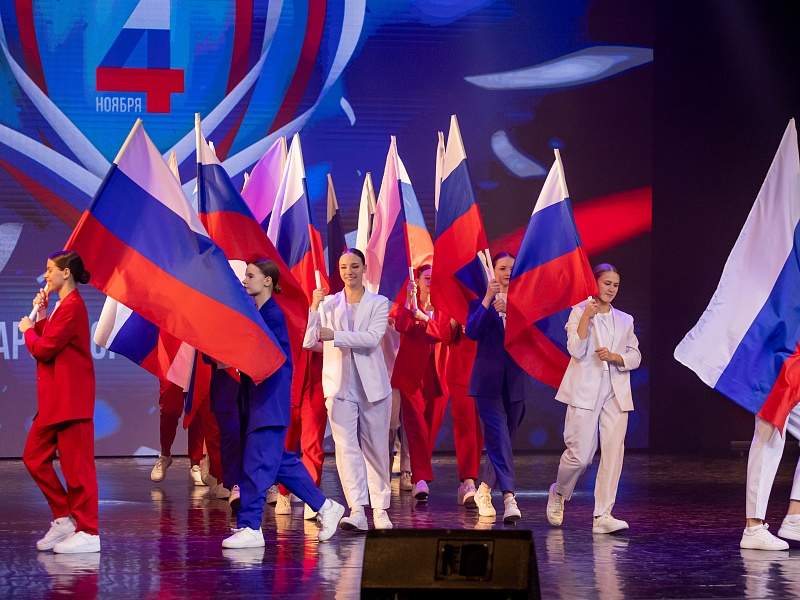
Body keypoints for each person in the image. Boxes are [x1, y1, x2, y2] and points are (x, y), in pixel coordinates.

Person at [222, 259, 344, 548]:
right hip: (259, 403)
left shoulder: (273, 315)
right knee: (280, 463)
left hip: (267, 404)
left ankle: (251, 526)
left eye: (251, 275)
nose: (245, 280)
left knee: (255, 466)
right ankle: (326, 507)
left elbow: (267, 359)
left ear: (268, 281)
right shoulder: (262, 313)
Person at [546, 263, 641, 534]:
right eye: (606, 283)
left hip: (615, 392)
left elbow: (635, 355)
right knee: (580, 456)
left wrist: (615, 357)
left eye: (615, 285)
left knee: (613, 454)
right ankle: (559, 492)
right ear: (595, 283)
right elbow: (575, 350)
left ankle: (603, 514)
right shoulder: (580, 311)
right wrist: (586, 318)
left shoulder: (625, 319)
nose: (611, 289)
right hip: (585, 391)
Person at [304, 248, 394, 531]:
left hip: (373, 387)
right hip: (339, 386)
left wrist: (335, 336)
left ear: (364, 268)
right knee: (346, 450)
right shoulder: (329, 303)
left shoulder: (378, 302)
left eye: (354, 266)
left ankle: (380, 509)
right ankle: (357, 509)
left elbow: (372, 338)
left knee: (376, 448)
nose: (349, 272)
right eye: (344, 267)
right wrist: (314, 308)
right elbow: (309, 342)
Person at [19, 250, 100, 554]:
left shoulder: (74, 306)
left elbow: (44, 348)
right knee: (34, 458)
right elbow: (50, 338)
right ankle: (64, 517)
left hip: (70, 401)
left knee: (78, 471)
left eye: (50, 269)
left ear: (66, 273)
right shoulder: (60, 306)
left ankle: (89, 531)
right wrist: (41, 315)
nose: (46, 275)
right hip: (54, 402)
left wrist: (28, 331)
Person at [466, 252, 532, 523]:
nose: (507, 273)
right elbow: (471, 331)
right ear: (493, 272)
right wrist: (487, 300)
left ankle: (483, 490)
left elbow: (534, 337)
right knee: (499, 437)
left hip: (515, 383)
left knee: (501, 441)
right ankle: (509, 498)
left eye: (511, 268)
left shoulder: (525, 304)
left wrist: (513, 311)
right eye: (502, 268)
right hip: (487, 384)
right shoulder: (478, 303)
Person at [391, 264, 444, 501]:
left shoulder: (445, 307)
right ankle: (420, 478)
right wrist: (408, 300)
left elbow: (446, 334)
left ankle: (419, 471)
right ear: (418, 281)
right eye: (427, 278)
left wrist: (426, 319)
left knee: (430, 429)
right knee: (416, 427)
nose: (430, 282)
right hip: (411, 374)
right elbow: (400, 325)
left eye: (434, 278)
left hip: (438, 375)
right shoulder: (410, 304)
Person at [739, 407, 800, 550]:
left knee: (770, 430)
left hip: (792, 392)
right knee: (770, 432)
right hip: (774, 391)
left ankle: (795, 518)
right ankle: (753, 528)